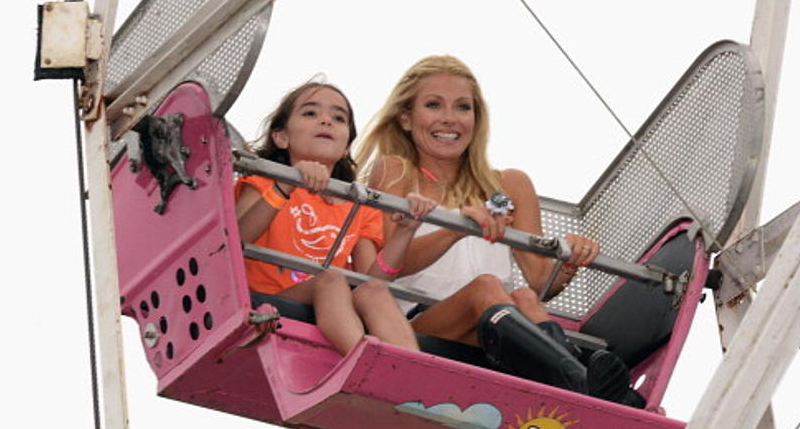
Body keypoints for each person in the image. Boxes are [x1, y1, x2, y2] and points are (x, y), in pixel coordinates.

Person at [356, 55, 639, 405]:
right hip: (419, 321)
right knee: (486, 287)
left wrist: (568, 261)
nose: (449, 118)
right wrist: (459, 228)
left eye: (463, 107)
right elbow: (393, 263)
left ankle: (584, 385)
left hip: (500, 324)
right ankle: (584, 380)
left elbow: (539, 281)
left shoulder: (509, 184)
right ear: (406, 119)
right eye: (433, 105)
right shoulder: (395, 171)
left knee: (524, 297)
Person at [235, 76, 435, 356]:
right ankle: (359, 358)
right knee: (331, 278)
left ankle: (411, 371)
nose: (326, 121)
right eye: (310, 113)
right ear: (282, 137)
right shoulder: (265, 181)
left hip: (331, 297)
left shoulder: (358, 206)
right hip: (270, 298)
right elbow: (235, 240)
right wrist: (286, 185)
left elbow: (371, 279)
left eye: (338, 118)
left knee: (374, 292)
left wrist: (405, 231)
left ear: (345, 146)